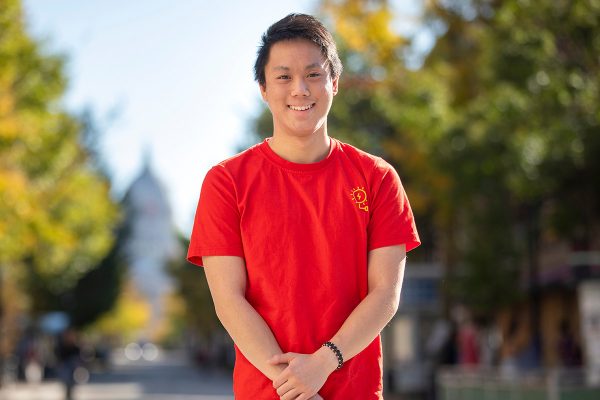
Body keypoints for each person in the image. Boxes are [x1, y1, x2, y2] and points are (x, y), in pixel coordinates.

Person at [188, 13, 420, 400]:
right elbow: (229, 300)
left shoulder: (377, 178)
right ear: (263, 88)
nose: (299, 89)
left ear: (334, 83)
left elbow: (385, 295)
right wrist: (297, 388)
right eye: (283, 77)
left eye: (313, 74)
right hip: (265, 392)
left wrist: (324, 363)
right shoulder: (226, 181)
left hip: (354, 390)